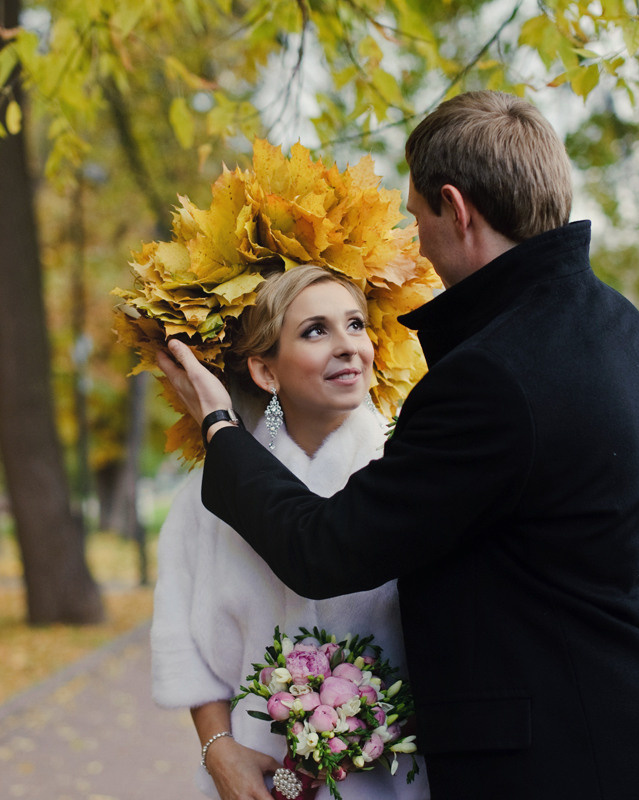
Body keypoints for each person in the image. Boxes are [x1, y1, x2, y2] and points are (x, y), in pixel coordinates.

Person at [157, 90, 639, 799]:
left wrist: (218, 427)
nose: (416, 240)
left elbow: (326, 549)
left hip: (561, 768)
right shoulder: (618, 324)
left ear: (456, 209)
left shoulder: (493, 374)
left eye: (418, 217)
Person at [151, 264, 430, 800]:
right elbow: (183, 639)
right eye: (316, 330)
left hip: (400, 785)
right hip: (257, 782)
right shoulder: (204, 500)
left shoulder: (412, 472)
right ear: (265, 372)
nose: (349, 346)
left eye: (355, 324)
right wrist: (219, 753)